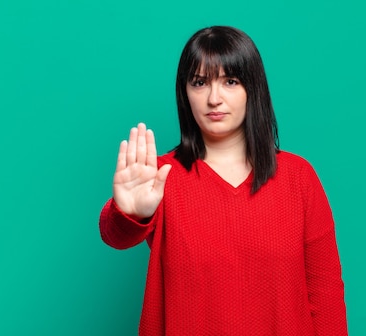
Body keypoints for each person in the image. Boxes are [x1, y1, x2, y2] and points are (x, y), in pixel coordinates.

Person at [99, 26, 347, 335]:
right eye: (200, 83)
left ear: (252, 88)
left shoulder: (298, 177)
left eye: (230, 81)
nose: (214, 98)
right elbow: (115, 235)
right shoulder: (160, 176)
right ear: (185, 92)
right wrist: (132, 213)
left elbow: (325, 294)